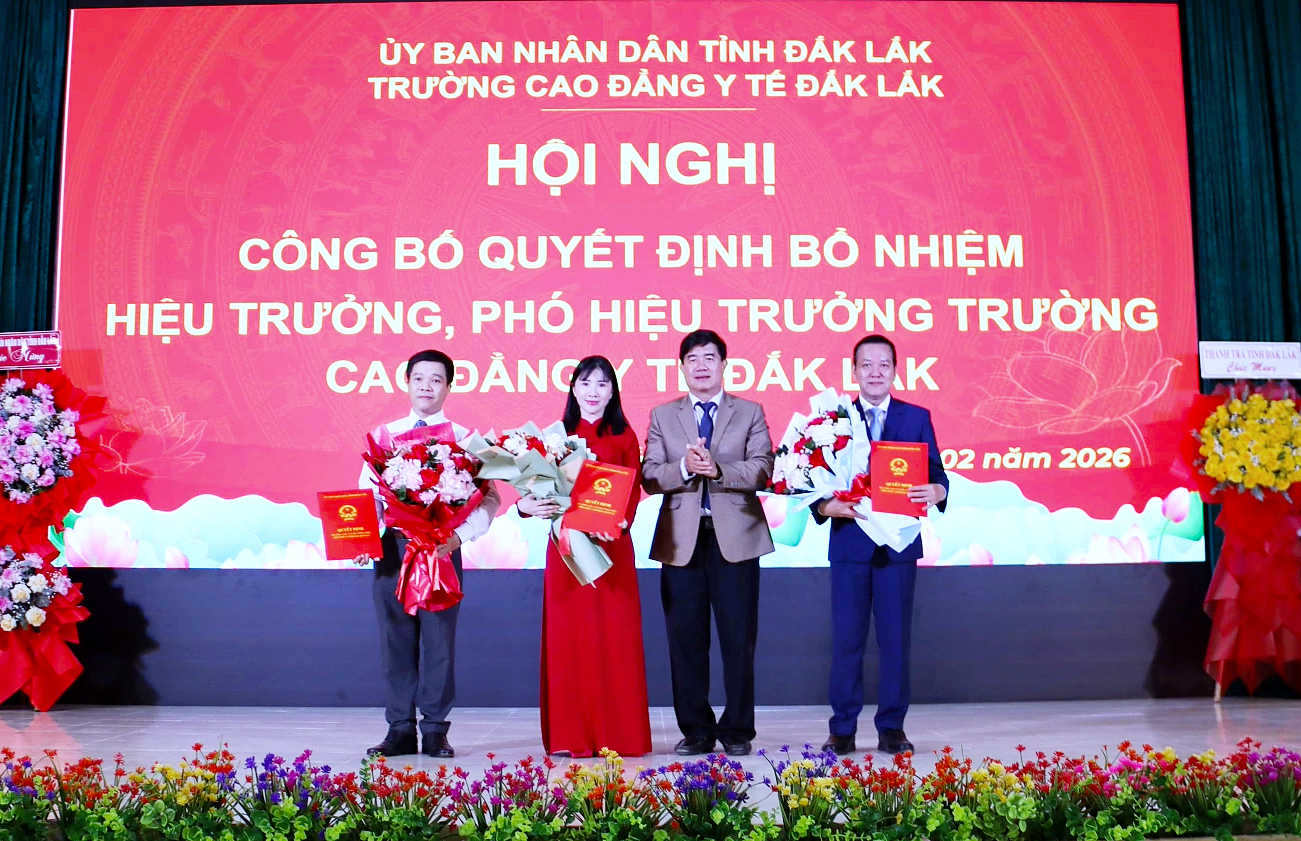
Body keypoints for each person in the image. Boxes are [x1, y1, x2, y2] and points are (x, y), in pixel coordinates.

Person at [357, 349, 500, 758]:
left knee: (439, 643)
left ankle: (436, 729)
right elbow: (368, 496)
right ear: (407, 383)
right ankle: (400, 729)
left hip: (440, 550)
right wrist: (362, 539)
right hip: (394, 549)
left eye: (436, 380)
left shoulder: (467, 440)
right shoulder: (384, 437)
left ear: (448, 387)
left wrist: (459, 537)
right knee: (395, 640)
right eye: (419, 378)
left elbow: (490, 498)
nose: (426, 386)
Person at [642, 329, 774, 757]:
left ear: (724, 365)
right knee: (685, 640)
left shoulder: (749, 411)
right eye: (693, 359)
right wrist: (684, 467)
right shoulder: (663, 415)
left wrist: (718, 469)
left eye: (709, 358)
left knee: (739, 639)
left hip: (736, 540)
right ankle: (697, 729)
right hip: (681, 542)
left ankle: (737, 729)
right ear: (681, 367)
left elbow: (763, 468)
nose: (701, 366)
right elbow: (649, 475)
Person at [815, 335, 948, 756]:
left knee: (895, 642)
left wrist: (937, 491)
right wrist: (825, 506)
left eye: (883, 365)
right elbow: (813, 481)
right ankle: (842, 730)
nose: (875, 372)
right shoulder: (832, 420)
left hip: (897, 547)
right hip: (850, 543)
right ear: (854, 371)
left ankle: (892, 728)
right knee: (846, 642)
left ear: (894, 370)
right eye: (866, 365)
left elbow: (938, 477)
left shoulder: (916, 417)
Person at [517, 356, 652, 757]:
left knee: (615, 639)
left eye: (602, 384)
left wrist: (618, 524)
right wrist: (527, 506)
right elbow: (533, 491)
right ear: (574, 388)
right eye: (586, 383)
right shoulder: (553, 437)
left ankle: (620, 735)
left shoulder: (624, 436)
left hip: (611, 548)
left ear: (613, 392)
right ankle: (572, 736)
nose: (593, 392)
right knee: (570, 640)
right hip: (566, 549)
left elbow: (632, 492)